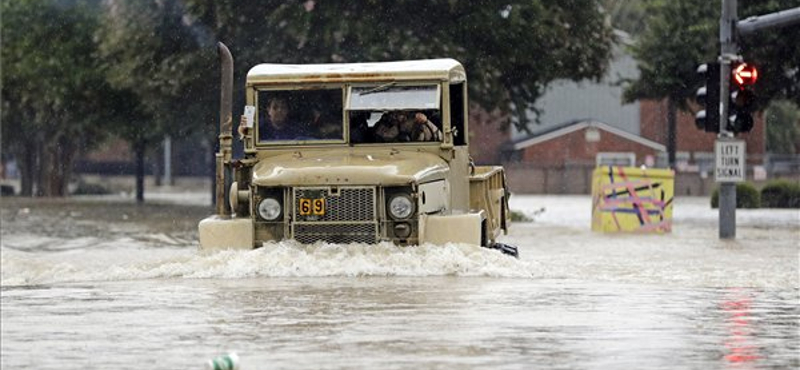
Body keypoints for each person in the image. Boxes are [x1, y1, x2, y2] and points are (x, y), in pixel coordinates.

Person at [238, 96, 308, 141]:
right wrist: (243, 130)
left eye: (283, 107)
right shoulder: (259, 127)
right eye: (275, 107)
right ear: (268, 110)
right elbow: (244, 137)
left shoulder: (296, 128)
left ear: (287, 110)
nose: (279, 111)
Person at [372, 111, 442, 143]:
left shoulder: (419, 121)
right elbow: (379, 137)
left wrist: (426, 121)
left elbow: (439, 137)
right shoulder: (388, 120)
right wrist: (397, 125)